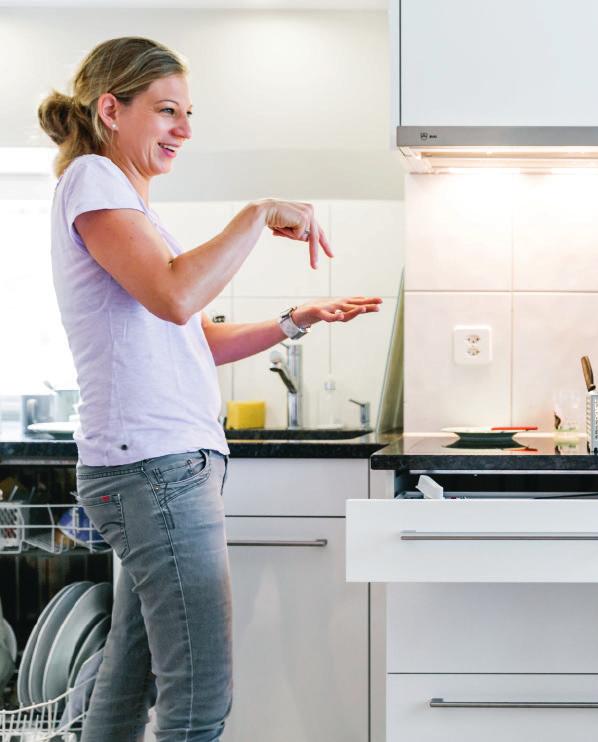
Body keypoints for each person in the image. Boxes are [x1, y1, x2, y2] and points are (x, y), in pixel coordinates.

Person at [37, 36, 381, 741]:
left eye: (188, 114)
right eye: (167, 111)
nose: (185, 131)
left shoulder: (123, 202)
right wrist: (256, 213)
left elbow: (186, 333)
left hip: (154, 467)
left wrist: (295, 320)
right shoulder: (95, 182)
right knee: (198, 698)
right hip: (153, 470)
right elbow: (175, 294)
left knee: (127, 682)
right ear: (111, 109)